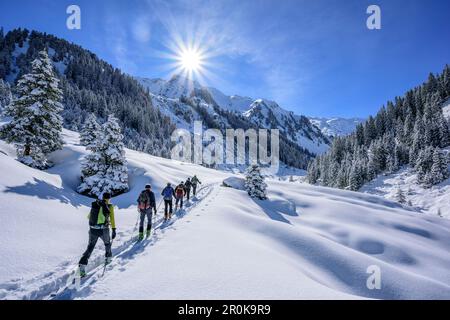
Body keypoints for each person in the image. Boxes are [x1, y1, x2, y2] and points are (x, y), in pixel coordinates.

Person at [78, 192, 116, 278]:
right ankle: (108, 259)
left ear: (103, 197)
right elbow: (112, 219)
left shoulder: (96, 204)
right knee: (107, 243)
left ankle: (82, 264)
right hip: (103, 230)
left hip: (92, 229)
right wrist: (113, 229)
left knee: (90, 247)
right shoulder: (109, 206)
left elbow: (89, 217)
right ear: (109, 198)